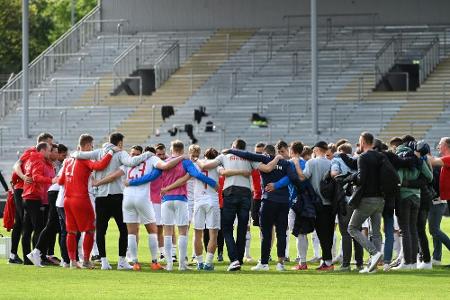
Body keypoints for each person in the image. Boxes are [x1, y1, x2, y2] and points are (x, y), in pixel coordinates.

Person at [127, 140, 217, 271]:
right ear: (182, 150)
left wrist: (132, 182)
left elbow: (150, 177)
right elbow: (196, 174)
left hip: (166, 200)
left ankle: (169, 264)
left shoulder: (165, 163)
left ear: (171, 150)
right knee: (182, 232)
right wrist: (212, 183)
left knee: (167, 232)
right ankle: (181, 265)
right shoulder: (186, 162)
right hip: (181, 199)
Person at [92, 144, 184, 271]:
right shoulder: (150, 160)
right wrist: (181, 157)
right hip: (142, 198)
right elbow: (166, 166)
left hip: (128, 199)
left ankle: (134, 262)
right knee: (152, 230)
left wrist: (98, 182)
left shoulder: (127, 165)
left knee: (131, 232)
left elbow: (113, 176)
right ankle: (154, 262)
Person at [72, 132, 155, 270]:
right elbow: (132, 162)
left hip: (101, 197)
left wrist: (75, 154)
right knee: (123, 229)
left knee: (101, 230)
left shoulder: (98, 152)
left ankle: (104, 261)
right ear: (120, 143)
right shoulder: (121, 153)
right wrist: (148, 154)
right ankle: (122, 261)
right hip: (117, 196)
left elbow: (78, 154)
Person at [224, 143, 301, 271]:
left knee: (266, 233)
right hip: (283, 202)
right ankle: (280, 264)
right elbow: (293, 178)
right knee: (281, 233)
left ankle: (264, 263)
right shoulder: (286, 164)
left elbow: (247, 155)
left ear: (265, 153)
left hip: (268, 200)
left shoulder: (264, 159)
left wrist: (231, 150)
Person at [197, 139, 261, 271]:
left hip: (230, 192)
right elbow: (265, 168)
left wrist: (196, 160)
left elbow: (206, 166)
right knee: (242, 229)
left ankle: (234, 259)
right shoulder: (248, 157)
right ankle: (239, 259)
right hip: (245, 193)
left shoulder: (225, 156)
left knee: (226, 228)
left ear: (233, 147)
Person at [55, 134, 115, 269]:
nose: (92, 149)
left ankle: (72, 261)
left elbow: (60, 181)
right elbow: (100, 165)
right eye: (92, 146)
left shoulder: (68, 161)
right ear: (87, 146)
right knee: (89, 229)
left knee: (71, 231)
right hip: (81, 198)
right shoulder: (84, 159)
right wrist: (110, 152)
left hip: (67, 200)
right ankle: (86, 260)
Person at [10, 132, 53, 264]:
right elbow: (16, 166)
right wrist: (23, 177)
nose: (51, 146)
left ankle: (23, 257)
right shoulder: (32, 153)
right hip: (23, 189)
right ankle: (21, 255)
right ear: (43, 143)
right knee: (24, 223)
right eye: (50, 143)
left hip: (28, 191)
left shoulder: (40, 157)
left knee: (24, 224)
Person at [347, 132, 384, 273]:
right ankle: (373, 266)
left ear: (363, 141)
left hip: (367, 198)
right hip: (381, 199)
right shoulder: (380, 156)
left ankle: (374, 254)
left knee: (352, 228)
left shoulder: (362, 157)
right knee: (376, 232)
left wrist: (351, 178)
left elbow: (361, 179)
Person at [296, 141, 334, 271]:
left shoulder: (311, 163)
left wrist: (296, 163)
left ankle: (328, 262)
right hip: (330, 202)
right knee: (328, 232)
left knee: (321, 233)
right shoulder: (331, 163)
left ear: (317, 149)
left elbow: (303, 177)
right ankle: (327, 260)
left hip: (317, 202)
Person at [22, 142, 57, 266]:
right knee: (38, 228)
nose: (49, 153)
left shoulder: (31, 159)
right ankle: (35, 257)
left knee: (27, 229)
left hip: (27, 196)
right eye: (48, 150)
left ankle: (28, 259)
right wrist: (51, 180)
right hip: (33, 196)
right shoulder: (38, 160)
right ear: (42, 150)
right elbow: (36, 177)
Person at [330, 143, 364, 271]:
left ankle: (346, 264)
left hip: (344, 200)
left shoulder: (337, 159)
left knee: (345, 233)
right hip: (358, 200)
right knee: (357, 231)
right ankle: (359, 263)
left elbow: (335, 173)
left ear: (340, 151)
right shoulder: (358, 159)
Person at [427, 137, 450, 264]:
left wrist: (422, 153)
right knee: (435, 229)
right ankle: (436, 257)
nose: (438, 147)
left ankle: (437, 257)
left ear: (446, 145)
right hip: (444, 198)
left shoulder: (448, 158)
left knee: (434, 229)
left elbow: (433, 161)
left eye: (440, 144)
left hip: (443, 199)